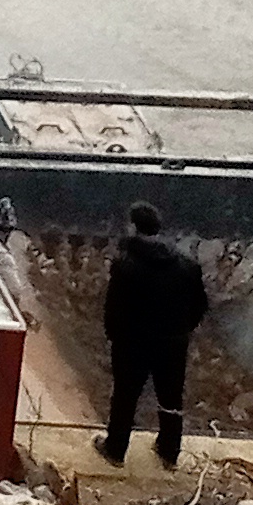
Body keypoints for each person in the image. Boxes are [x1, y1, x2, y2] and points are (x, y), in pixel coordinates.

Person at [97, 200, 212, 468]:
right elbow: (200, 306)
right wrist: (182, 330)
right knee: (171, 396)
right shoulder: (187, 265)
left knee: (125, 395)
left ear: (133, 227)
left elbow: (114, 309)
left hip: (132, 344)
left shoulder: (125, 266)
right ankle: (169, 451)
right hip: (173, 343)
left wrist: (115, 337)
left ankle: (115, 449)